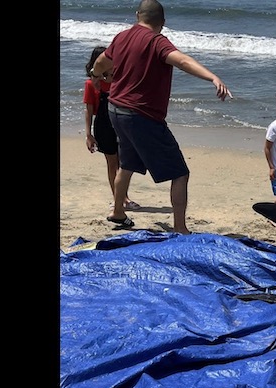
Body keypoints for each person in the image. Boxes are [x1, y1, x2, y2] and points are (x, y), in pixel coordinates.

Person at [91, 0, 232, 234]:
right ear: (163, 23)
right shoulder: (157, 42)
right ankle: (180, 228)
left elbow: (100, 62)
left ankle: (118, 212)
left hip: (116, 109)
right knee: (180, 173)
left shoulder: (122, 36)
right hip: (141, 115)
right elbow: (183, 60)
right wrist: (213, 78)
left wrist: (96, 75)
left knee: (127, 164)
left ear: (138, 16)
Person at [83, 47, 140, 211]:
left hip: (121, 125)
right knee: (112, 163)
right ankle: (118, 198)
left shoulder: (119, 82)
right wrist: (88, 135)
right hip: (103, 126)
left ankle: (125, 197)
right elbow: (88, 110)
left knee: (125, 163)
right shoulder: (91, 84)